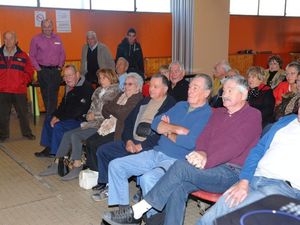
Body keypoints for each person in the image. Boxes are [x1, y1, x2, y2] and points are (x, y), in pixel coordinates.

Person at [102, 75, 262, 225]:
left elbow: (234, 146)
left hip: (230, 172)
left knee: (180, 166)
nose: (224, 94)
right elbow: (203, 138)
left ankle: (137, 211)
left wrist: (206, 159)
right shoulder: (219, 113)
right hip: (210, 166)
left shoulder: (252, 115)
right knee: (178, 186)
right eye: (224, 90)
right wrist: (202, 152)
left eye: (230, 90)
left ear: (244, 94)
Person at [103, 74, 213, 223]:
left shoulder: (208, 114)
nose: (190, 91)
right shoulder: (180, 105)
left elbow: (189, 142)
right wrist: (177, 129)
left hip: (176, 160)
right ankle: (127, 213)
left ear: (207, 93)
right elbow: (155, 124)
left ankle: (153, 219)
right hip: (156, 152)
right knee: (116, 165)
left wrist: (166, 129)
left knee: (149, 178)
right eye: (190, 87)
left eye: (195, 88)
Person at [197, 103, 300, 225]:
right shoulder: (287, 121)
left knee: (235, 217)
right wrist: (244, 181)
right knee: (211, 216)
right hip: (254, 178)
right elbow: (258, 150)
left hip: (282, 188)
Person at [91, 74, 176, 201]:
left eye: (155, 86)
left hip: (151, 145)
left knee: (137, 158)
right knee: (103, 151)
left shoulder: (171, 105)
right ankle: (108, 184)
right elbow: (128, 122)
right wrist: (129, 141)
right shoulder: (145, 101)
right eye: (150, 86)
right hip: (133, 141)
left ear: (165, 88)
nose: (151, 89)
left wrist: (141, 146)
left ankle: (143, 190)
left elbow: (162, 133)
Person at [38, 69, 120, 180]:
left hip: (104, 125)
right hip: (91, 122)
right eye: (100, 78)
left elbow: (111, 113)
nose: (101, 80)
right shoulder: (98, 91)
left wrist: (94, 116)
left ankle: (77, 166)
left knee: (75, 136)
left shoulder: (116, 93)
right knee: (67, 134)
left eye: (104, 78)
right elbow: (90, 108)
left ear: (111, 78)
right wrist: (89, 115)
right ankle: (57, 163)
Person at [84, 73, 144, 171]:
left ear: (138, 87)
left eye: (130, 84)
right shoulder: (121, 95)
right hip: (110, 127)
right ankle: (94, 171)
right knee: (90, 141)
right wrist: (114, 109)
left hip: (121, 131)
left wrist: (112, 109)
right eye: (125, 84)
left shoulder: (137, 98)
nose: (126, 86)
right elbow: (105, 109)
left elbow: (122, 114)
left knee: (97, 145)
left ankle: (101, 173)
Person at [34, 65, 94, 158]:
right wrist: (55, 116)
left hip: (80, 119)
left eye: (70, 75)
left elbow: (78, 111)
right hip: (70, 116)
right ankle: (49, 147)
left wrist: (60, 118)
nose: (67, 79)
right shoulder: (69, 86)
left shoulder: (86, 88)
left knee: (59, 126)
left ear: (77, 74)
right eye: (65, 76)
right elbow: (63, 105)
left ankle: (57, 154)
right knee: (48, 120)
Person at [0, 31, 35, 142]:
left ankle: (27, 133)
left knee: (23, 114)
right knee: (2, 115)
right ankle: (3, 135)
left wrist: (22, 81)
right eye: (6, 38)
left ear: (16, 40)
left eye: (11, 38)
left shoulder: (23, 55)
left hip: (19, 90)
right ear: (3, 40)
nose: (8, 41)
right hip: (2, 90)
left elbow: (30, 72)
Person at [29, 19, 66, 116]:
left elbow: (62, 54)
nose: (47, 29)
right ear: (41, 27)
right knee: (46, 95)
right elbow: (32, 56)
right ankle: (51, 116)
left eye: (49, 26)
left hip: (56, 71)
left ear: (52, 27)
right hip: (43, 71)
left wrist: (60, 67)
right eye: (44, 26)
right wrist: (39, 69)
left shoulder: (58, 38)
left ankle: (51, 117)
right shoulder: (35, 39)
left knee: (54, 95)